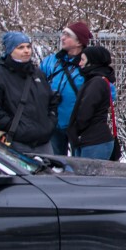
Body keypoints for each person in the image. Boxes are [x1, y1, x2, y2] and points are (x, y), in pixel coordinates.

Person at [0, 32, 58, 154]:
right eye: (20, 47)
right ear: (9, 50)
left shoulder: (37, 74)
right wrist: (12, 127)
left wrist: (49, 124)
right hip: (16, 142)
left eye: (28, 46)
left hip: (43, 142)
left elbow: (51, 101)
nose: (26, 51)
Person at [40, 21, 92, 155]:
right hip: (53, 123)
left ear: (79, 42)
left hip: (79, 125)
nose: (62, 38)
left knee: (79, 166)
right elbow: (37, 85)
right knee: (54, 164)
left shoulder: (90, 64)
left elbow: (107, 93)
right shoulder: (50, 62)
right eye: (63, 34)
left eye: (67, 35)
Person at [67, 45, 116, 159]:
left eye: (83, 60)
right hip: (92, 139)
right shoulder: (96, 80)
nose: (79, 63)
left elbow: (85, 111)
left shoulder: (96, 82)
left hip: (94, 141)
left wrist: (75, 130)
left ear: (93, 61)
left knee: (89, 176)